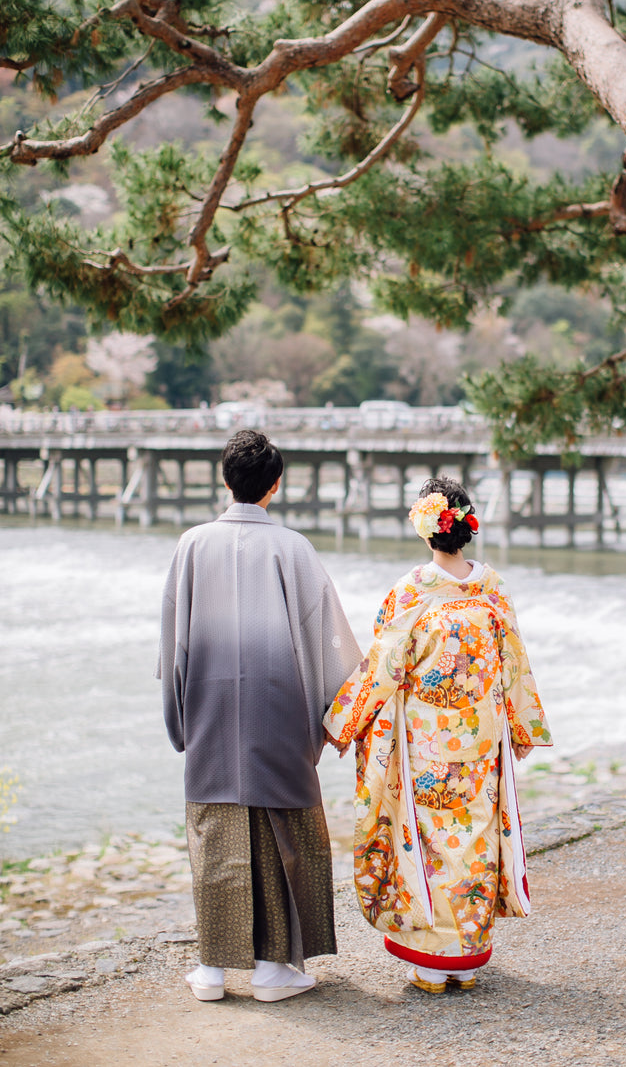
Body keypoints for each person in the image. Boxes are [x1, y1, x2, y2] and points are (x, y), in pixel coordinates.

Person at [323, 475, 552, 994]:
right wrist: (521, 725)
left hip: (427, 744)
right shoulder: (492, 589)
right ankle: (468, 955)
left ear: (427, 531)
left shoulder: (411, 592)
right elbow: (515, 663)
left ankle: (433, 960)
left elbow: (381, 667)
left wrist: (343, 722)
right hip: (481, 741)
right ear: (467, 527)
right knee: (474, 838)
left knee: (429, 845)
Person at [157, 429, 360, 1003]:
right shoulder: (293, 548)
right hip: (281, 706)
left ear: (225, 480)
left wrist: (179, 721)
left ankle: (213, 972)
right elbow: (330, 642)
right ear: (275, 486)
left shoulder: (192, 544)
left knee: (215, 834)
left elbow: (175, 645)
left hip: (211, 709)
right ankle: (276, 968)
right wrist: (337, 716)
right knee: (286, 837)